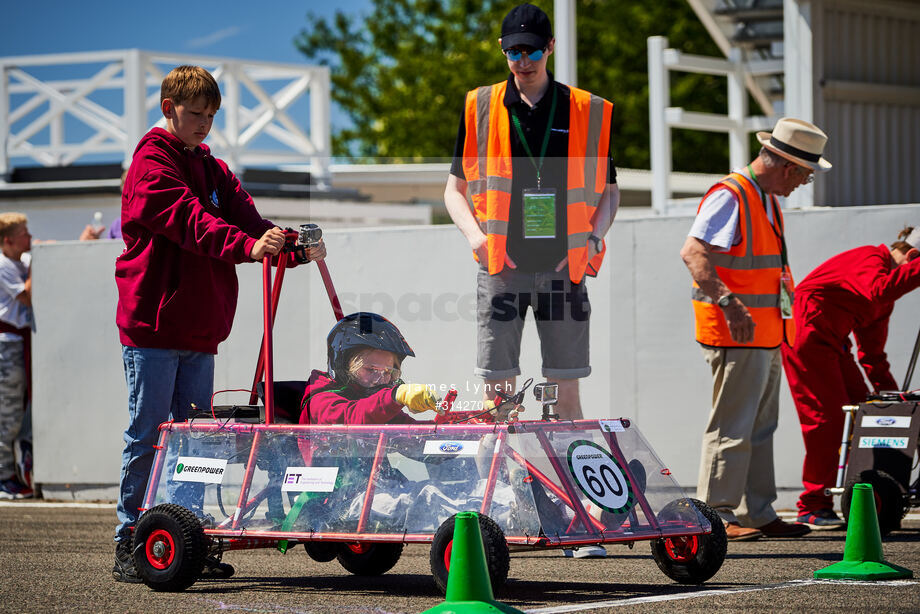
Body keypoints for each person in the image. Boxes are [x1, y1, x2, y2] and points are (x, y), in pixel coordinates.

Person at [112, 65, 326, 583]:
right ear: (169, 109)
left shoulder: (212, 167)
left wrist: (290, 245)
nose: (204, 125)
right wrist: (249, 247)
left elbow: (247, 219)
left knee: (193, 441)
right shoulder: (151, 164)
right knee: (150, 434)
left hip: (199, 329)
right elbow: (192, 222)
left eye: (211, 116)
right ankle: (129, 541)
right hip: (156, 328)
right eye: (195, 115)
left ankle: (185, 539)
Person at [444, 3, 619, 424]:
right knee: (498, 402)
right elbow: (454, 190)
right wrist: (477, 239)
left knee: (567, 401)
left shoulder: (585, 110)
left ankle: (566, 487)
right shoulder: (481, 106)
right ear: (504, 51)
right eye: (514, 51)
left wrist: (591, 239)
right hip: (501, 267)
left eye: (533, 51)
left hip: (565, 269)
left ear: (550, 48)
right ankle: (502, 488)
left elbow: (610, 192)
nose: (523, 61)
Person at [680, 117, 833, 541]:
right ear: (786, 166)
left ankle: (757, 512)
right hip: (737, 332)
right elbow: (693, 253)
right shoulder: (732, 195)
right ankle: (715, 515)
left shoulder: (764, 198)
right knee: (731, 426)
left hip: (764, 333)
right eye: (804, 173)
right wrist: (730, 304)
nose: (804, 182)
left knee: (759, 427)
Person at [783, 226, 920, 529]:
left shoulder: (884, 296)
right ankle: (813, 503)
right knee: (827, 420)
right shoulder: (872, 259)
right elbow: (880, 289)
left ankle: (869, 493)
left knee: (865, 411)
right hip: (804, 337)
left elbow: (872, 356)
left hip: (832, 344)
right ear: (912, 256)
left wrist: (897, 403)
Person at [300, 312, 441, 426]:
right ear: (344, 367)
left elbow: (413, 438)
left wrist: (451, 430)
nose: (379, 379)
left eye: (387, 372)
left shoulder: (375, 405)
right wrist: (395, 396)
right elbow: (352, 418)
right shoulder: (320, 401)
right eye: (371, 369)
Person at [0, 213, 35, 500]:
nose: (30, 237)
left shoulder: (17, 262)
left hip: (17, 343)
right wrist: (40, 262)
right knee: (8, 413)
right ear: (8, 240)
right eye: (24, 234)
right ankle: (3, 476)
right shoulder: (3, 265)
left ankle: (10, 473)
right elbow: (26, 295)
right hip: (7, 346)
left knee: (17, 411)